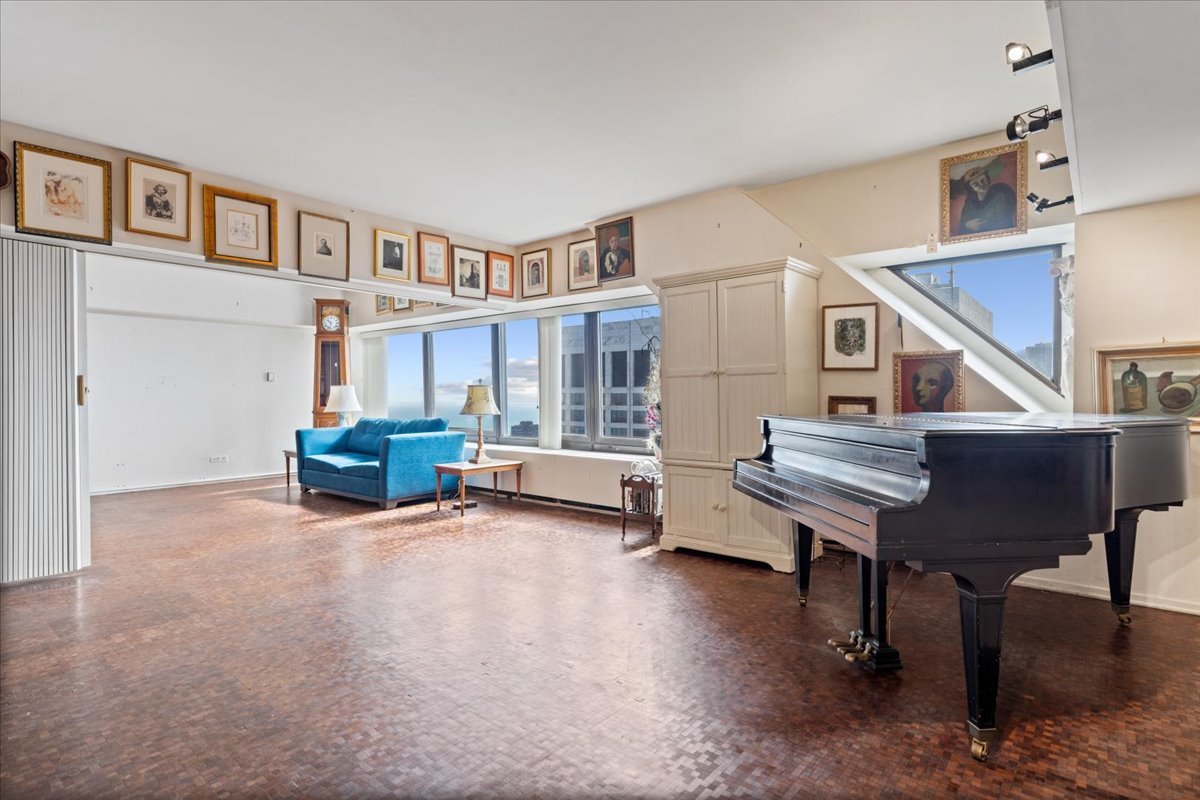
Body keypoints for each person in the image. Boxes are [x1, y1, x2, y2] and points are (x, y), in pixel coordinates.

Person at [952, 159, 1016, 235]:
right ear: (971, 188)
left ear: (987, 179)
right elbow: (962, 229)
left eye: (982, 180)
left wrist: (981, 225)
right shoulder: (970, 203)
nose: (981, 185)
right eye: (975, 184)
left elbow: (1003, 222)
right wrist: (967, 225)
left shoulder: (999, 195)